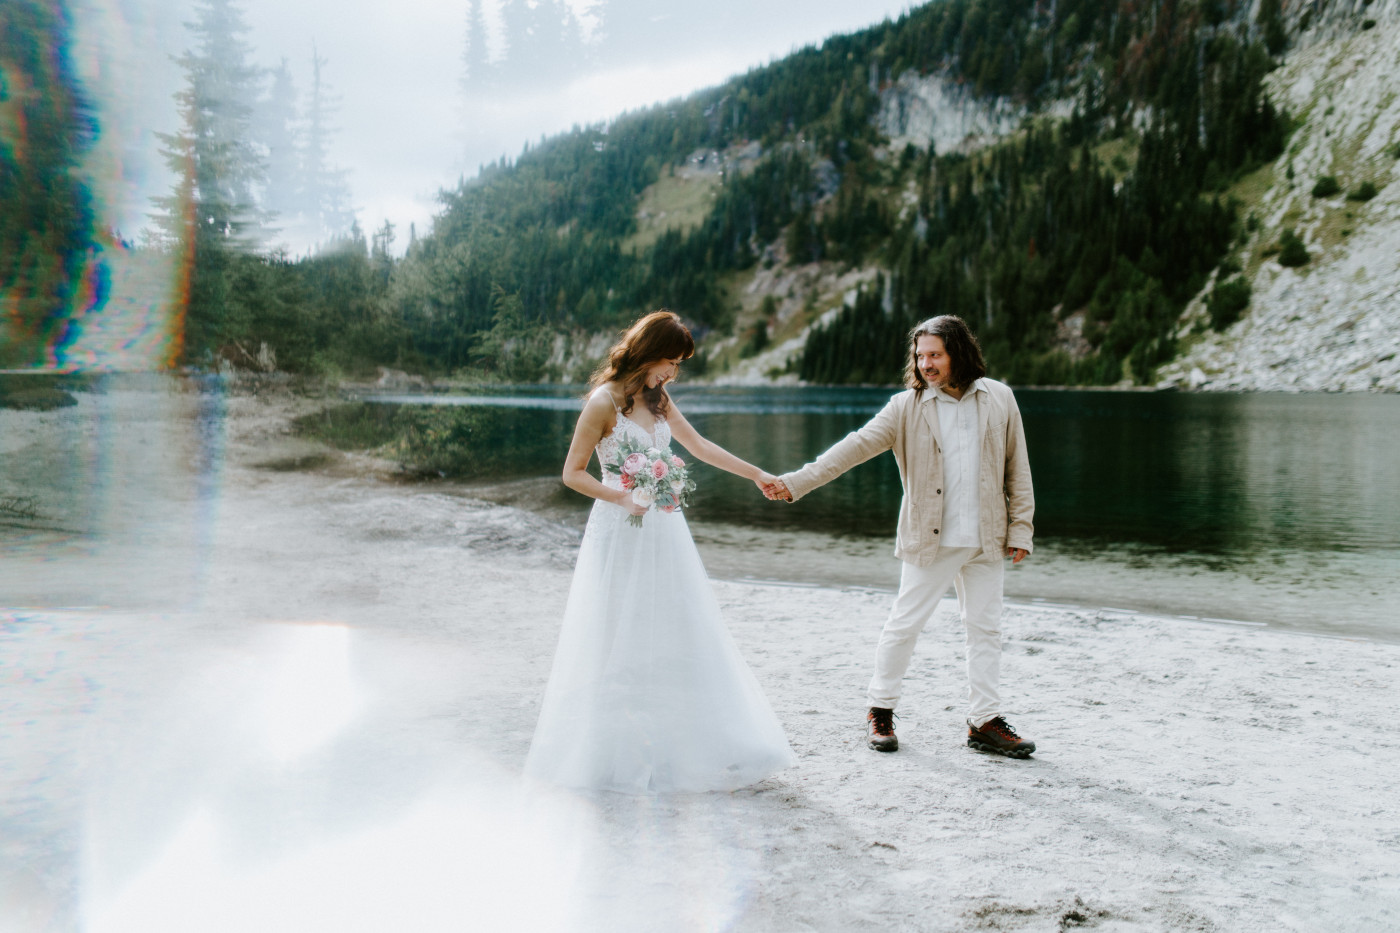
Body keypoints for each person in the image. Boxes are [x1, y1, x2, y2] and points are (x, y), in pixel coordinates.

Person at [524, 310, 796, 794]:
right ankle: (613, 752)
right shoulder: (603, 402)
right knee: (617, 634)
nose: (673, 372)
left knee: (678, 626)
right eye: (670, 361)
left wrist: (757, 474)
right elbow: (573, 473)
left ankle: (681, 743)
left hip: (665, 529)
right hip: (619, 529)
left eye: (677, 365)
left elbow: (700, 446)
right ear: (648, 352)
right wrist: (622, 497)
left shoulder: (659, 399)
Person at [765, 315, 1037, 758]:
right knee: (905, 624)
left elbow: (1017, 467)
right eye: (920, 355)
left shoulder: (999, 397)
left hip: (987, 537)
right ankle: (881, 711)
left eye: (935, 355)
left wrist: (1021, 527)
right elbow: (853, 447)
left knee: (986, 629)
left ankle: (984, 721)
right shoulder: (905, 407)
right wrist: (796, 482)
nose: (926, 363)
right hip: (931, 540)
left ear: (958, 353)